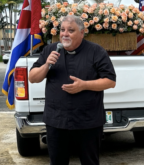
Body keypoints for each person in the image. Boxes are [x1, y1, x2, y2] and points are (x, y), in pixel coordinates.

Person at [28, 15, 116, 165]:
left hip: (88, 121)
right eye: (62, 30)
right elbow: (32, 78)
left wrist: (84, 85)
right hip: (56, 121)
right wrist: (46, 65)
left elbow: (110, 81)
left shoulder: (96, 51)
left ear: (82, 33)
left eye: (70, 30)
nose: (65, 34)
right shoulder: (50, 50)